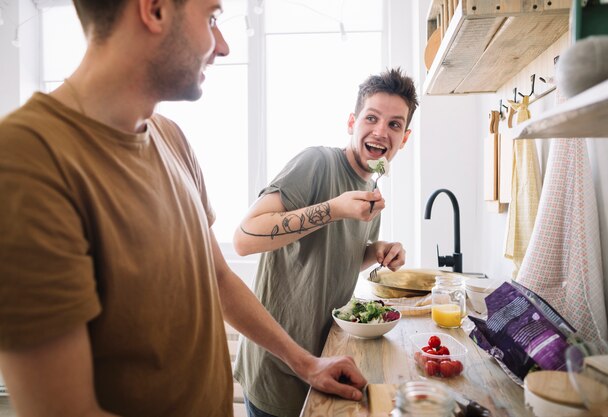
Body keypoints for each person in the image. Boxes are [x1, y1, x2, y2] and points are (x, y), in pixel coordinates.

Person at [0, 1, 367, 416]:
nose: (224, 45)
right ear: (154, 10)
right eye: (212, 18)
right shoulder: (26, 161)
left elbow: (219, 277)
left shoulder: (170, 137)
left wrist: (306, 363)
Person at [233, 68, 419, 417]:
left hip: (327, 359)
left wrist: (375, 252)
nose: (381, 131)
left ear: (404, 138)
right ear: (352, 122)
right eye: (372, 118)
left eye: (394, 124)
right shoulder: (315, 162)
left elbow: (339, 254)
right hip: (277, 366)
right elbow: (244, 237)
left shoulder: (371, 191)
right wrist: (333, 209)